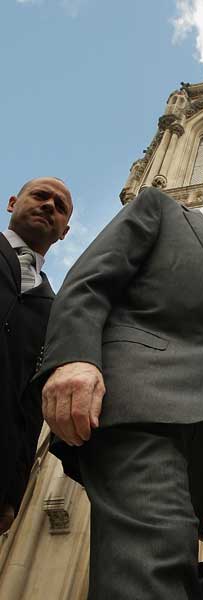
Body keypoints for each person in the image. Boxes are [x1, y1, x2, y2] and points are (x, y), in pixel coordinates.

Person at [38, 143, 203, 600]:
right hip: (137, 407)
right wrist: (74, 359)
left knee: (154, 571)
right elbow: (89, 282)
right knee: (152, 571)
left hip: (192, 451)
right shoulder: (161, 210)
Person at [0, 177, 73, 534]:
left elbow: (31, 404)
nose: (49, 206)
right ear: (12, 203)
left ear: (65, 231)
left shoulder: (54, 308)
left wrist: (13, 491)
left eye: (60, 207)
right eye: (40, 196)